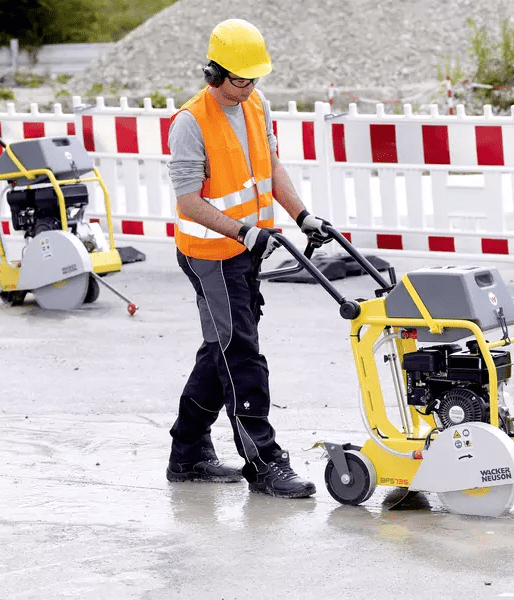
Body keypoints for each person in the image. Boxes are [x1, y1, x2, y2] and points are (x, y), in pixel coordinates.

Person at [166, 18, 334, 499]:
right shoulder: (190, 122)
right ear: (214, 72)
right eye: (240, 80)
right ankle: (265, 464)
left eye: (255, 79)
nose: (249, 88)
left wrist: (302, 215)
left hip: (246, 249)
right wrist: (243, 231)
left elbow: (270, 166)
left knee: (222, 347)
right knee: (241, 354)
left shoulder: (256, 104)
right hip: (211, 254)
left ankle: (188, 452)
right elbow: (188, 201)